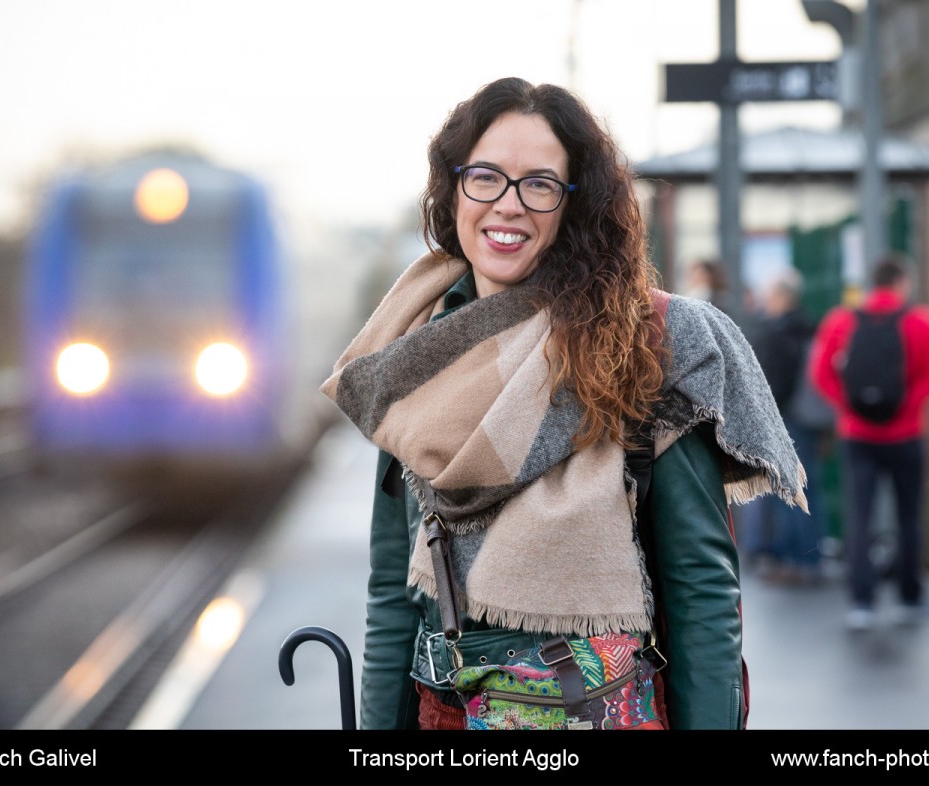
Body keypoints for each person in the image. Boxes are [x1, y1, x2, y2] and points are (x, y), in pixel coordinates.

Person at [320, 77, 806, 730]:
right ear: (454, 187)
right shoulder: (408, 353)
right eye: (486, 177)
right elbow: (394, 596)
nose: (508, 205)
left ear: (572, 204)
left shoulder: (648, 341)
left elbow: (702, 592)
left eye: (539, 184)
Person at [808, 254, 929, 630]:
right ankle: (909, 597)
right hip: (907, 435)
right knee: (909, 517)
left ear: (873, 283)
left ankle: (862, 602)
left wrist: (848, 408)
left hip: (857, 436)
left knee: (860, 517)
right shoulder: (922, 322)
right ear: (902, 282)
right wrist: (908, 405)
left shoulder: (842, 322)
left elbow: (820, 373)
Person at [739, 268, 825, 584]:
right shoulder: (809, 326)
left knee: (786, 490)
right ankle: (811, 556)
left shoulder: (776, 331)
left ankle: (793, 559)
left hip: (784, 420)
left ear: (781, 296)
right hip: (808, 418)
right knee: (808, 487)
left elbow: (771, 382)